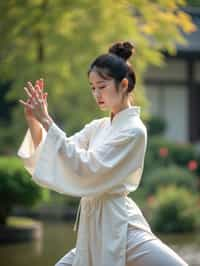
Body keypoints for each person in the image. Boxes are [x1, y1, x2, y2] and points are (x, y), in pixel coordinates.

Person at [17, 41, 188, 266]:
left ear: (124, 84)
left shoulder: (134, 131)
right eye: (92, 87)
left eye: (102, 86)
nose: (96, 94)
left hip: (121, 226)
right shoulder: (99, 126)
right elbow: (61, 151)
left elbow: (88, 166)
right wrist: (35, 122)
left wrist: (48, 121)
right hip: (92, 225)